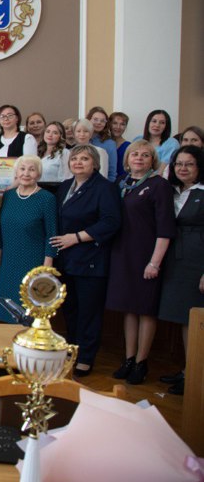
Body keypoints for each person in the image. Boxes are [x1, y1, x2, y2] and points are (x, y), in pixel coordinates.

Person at [107, 140, 175, 385]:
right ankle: (129, 358)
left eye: (145, 155)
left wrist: (154, 262)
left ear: (152, 160)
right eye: (134, 154)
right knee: (129, 308)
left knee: (145, 309)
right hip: (123, 254)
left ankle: (141, 362)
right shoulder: (122, 184)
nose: (139, 158)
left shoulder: (159, 185)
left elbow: (165, 228)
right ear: (127, 159)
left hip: (147, 255)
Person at [50, 144, 121, 377]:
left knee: (89, 313)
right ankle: (72, 349)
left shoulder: (105, 188)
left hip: (91, 259)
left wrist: (77, 238)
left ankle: (87, 357)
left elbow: (111, 222)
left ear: (95, 164)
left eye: (84, 159)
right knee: (70, 309)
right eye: (74, 159)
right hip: (67, 260)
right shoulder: (65, 187)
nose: (78, 163)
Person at [157, 146, 204, 395]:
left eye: (189, 164)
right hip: (176, 258)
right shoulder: (172, 192)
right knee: (183, 318)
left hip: (197, 260)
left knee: (195, 319)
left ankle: (196, 375)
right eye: (179, 164)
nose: (183, 168)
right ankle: (188, 370)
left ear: (199, 168)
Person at [0, 155, 57, 322]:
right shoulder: (9, 196)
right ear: (16, 173)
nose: (26, 173)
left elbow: (52, 235)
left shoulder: (47, 199)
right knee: (7, 311)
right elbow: (3, 230)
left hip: (33, 263)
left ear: (38, 174)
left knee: (29, 313)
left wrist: (46, 268)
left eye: (31, 169)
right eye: (22, 169)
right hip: (8, 262)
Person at [87, 106, 118, 181]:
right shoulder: (80, 139)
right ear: (88, 120)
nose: (99, 123)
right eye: (95, 119)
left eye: (103, 121)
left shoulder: (110, 144)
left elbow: (112, 172)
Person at [109, 111, 131, 178]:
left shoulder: (129, 146)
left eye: (122, 124)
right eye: (115, 123)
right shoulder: (103, 144)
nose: (118, 127)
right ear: (109, 124)